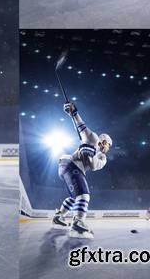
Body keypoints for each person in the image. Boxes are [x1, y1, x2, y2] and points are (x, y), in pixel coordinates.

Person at [54, 101, 113, 238]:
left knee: (74, 198)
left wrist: (88, 153)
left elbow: (92, 165)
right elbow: (81, 127)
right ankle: (78, 222)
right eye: (107, 144)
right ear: (104, 142)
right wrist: (73, 113)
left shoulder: (102, 158)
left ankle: (59, 216)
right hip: (72, 165)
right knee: (84, 195)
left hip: (65, 166)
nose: (106, 147)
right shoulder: (94, 139)